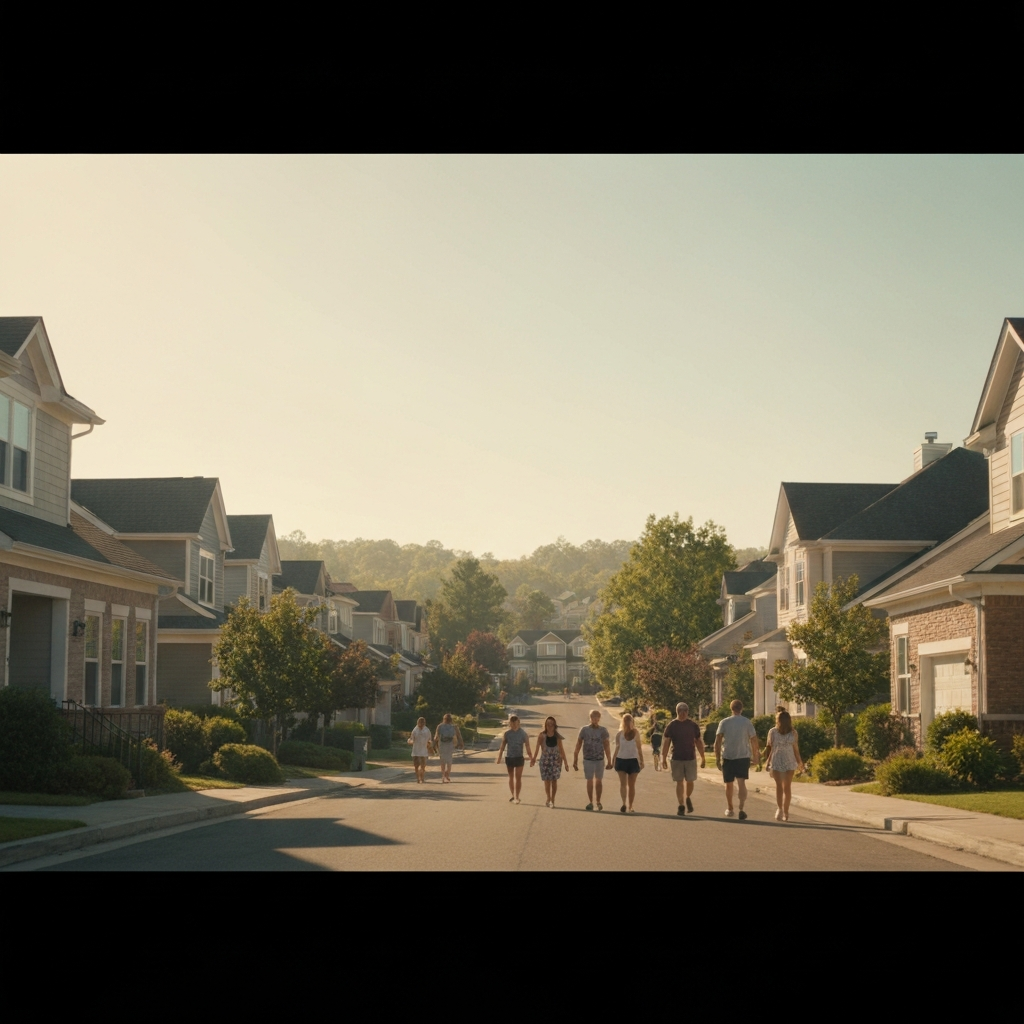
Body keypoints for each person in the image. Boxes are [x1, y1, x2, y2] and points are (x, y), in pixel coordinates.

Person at [713, 699, 760, 820]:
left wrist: (717, 757)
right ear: (741, 709)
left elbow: (717, 741)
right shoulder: (747, 722)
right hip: (743, 756)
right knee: (741, 782)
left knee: (728, 784)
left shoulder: (724, 722)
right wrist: (756, 756)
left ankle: (730, 808)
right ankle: (741, 808)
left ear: (731, 709)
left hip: (728, 756)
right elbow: (754, 740)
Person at [661, 702, 705, 817]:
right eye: (681, 710)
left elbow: (698, 741)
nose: (683, 713)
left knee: (690, 781)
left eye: (685, 710)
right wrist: (663, 758)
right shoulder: (672, 725)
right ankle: (681, 805)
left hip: (690, 757)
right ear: (677, 712)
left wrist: (703, 757)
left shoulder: (693, 725)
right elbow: (666, 742)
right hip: (677, 758)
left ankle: (687, 797)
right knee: (679, 782)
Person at [764, 709, 804, 821]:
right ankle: (781, 810)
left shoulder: (792, 732)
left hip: (786, 761)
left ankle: (784, 810)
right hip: (780, 761)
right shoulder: (773, 732)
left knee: (784, 787)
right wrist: (768, 762)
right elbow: (772, 748)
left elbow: (795, 749)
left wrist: (800, 762)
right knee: (782, 787)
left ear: (778, 720)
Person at [573, 708, 613, 810]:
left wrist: (609, 760)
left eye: (597, 717)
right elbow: (578, 744)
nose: (594, 719)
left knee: (599, 781)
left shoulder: (603, 731)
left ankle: (598, 801)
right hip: (588, 759)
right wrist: (575, 759)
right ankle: (590, 802)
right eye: (592, 717)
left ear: (599, 718)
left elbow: (607, 746)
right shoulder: (584, 730)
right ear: (590, 718)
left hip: (599, 759)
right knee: (589, 780)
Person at [530, 716, 569, 807]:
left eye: (552, 724)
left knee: (554, 781)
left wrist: (566, 763)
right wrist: (533, 760)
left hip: (556, 761)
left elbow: (562, 750)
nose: (550, 726)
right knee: (547, 781)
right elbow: (537, 749)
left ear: (555, 726)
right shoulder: (542, 736)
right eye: (548, 724)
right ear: (545, 725)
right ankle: (548, 797)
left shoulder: (557, 737)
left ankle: (553, 799)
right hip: (545, 761)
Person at [495, 714, 533, 804]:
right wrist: (499, 757)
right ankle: (513, 795)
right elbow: (502, 746)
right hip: (510, 757)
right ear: (510, 724)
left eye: (516, 723)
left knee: (518, 778)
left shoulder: (523, 734)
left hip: (519, 757)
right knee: (511, 777)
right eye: (512, 724)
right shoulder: (507, 734)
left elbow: (527, 746)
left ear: (519, 723)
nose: (514, 725)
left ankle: (517, 796)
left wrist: (531, 758)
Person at [613, 713, 645, 813]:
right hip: (621, 760)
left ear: (632, 722)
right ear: (623, 722)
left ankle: (630, 805)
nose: (628, 723)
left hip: (633, 761)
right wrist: (613, 760)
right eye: (626, 721)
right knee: (623, 784)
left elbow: (639, 747)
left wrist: (641, 761)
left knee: (632, 785)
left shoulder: (636, 733)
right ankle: (623, 803)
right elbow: (617, 748)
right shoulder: (619, 734)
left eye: (629, 720)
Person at [434, 713, 464, 784]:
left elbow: (436, 737)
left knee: (446, 761)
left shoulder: (451, 727)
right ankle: (445, 775)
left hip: (446, 745)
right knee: (446, 761)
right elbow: (436, 736)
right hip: (445, 745)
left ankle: (446, 774)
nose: (447, 720)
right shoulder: (443, 726)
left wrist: (461, 743)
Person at [407, 716, 433, 784]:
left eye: (423, 722)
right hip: (416, 750)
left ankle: (422, 777)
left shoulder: (427, 730)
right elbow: (411, 738)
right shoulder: (415, 730)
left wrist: (429, 745)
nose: (421, 724)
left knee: (423, 766)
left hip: (423, 751)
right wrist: (410, 741)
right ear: (418, 723)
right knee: (416, 766)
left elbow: (429, 740)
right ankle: (418, 778)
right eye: (420, 722)